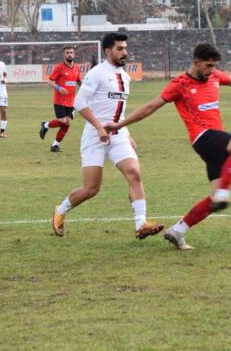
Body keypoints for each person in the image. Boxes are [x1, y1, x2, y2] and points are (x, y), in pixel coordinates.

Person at [105, 43, 231, 251]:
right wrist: (120, 125)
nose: (211, 70)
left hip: (215, 141)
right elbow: (150, 107)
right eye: (208, 66)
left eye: (214, 66)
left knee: (214, 199)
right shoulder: (179, 84)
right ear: (196, 62)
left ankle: (178, 230)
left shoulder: (214, 76)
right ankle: (223, 193)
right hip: (202, 137)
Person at [51, 33, 164, 240]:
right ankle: (61, 210)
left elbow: (118, 111)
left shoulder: (125, 76)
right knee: (91, 188)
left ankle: (141, 224)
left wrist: (126, 133)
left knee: (134, 173)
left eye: (125, 48)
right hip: (95, 136)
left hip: (118, 134)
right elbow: (79, 103)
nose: (125, 52)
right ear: (107, 51)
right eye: (120, 49)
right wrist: (99, 128)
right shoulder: (97, 73)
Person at [39, 46, 82, 152]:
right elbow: (50, 81)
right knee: (63, 121)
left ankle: (55, 145)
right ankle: (46, 125)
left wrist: (87, 88)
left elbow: (79, 81)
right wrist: (59, 88)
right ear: (64, 55)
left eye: (71, 52)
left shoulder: (76, 68)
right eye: (67, 53)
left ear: (74, 54)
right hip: (59, 101)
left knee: (67, 123)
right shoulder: (59, 67)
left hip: (71, 102)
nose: (70, 54)